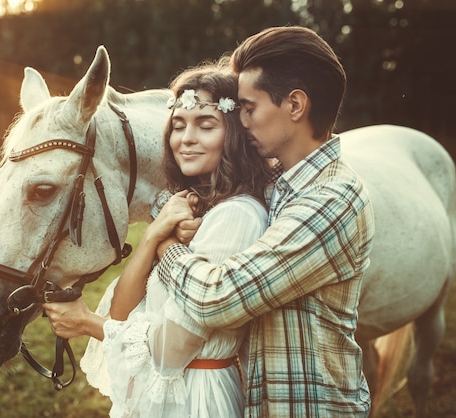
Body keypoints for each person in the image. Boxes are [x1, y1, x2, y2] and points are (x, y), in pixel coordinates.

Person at [152, 26, 376, 417]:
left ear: (294, 105)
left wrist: (166, 246)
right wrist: (189, 218)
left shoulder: (331, 201)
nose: (241, 121)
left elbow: (219, 298)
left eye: (249, 108)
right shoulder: (277, 184)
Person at [43, 62, 276, 417]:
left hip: (198, 398)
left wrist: (88, 323)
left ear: (233, 135)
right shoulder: (188, 210)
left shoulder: (236, 217)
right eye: (178, 126)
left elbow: (173, 350)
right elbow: (122, 312)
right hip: (166, 397)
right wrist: (154, 234)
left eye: (206, 125)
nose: (186, 139)